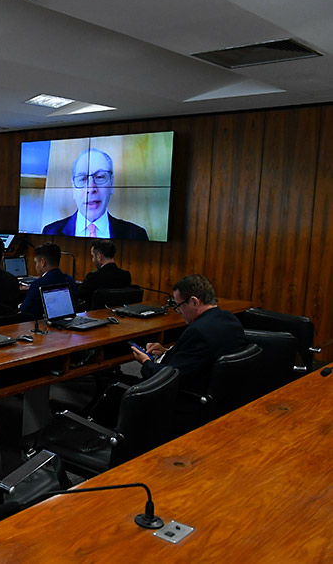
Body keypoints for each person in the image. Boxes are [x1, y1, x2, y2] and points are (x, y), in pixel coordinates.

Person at [130, 274, 248, 432]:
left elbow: (170, 378)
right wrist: (166, 352)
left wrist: (146, 362)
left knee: (117, 393)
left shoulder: (198, 332)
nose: (178, 311)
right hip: (222, 401)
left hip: (186, 405)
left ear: (194, 301)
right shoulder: (230, 319)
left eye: (179, 306)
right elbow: (199, 358)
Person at [42, 148, 148, 240]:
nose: (91, 188)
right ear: (74, 188)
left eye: (100, 177)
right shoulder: (51, 232)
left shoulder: (136, 235)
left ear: (111, 184)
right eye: (82, 179)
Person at [19, 242, 77, 319]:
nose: (36, 266)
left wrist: (20, 305)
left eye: (36, 262)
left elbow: (25, 310)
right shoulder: (70, 280)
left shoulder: (38, 284)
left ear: (43, 262)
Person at [76, 239, 131, 309]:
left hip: (95, 317)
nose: (92, 260)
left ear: (99, 256)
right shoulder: (126, 276)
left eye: (92, 256)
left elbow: (80, 295)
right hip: (119, 317)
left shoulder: (93, 277)